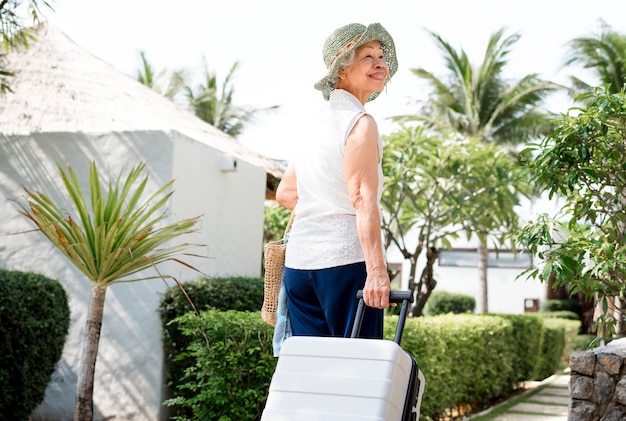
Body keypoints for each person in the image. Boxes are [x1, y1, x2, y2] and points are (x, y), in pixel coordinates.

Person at [275, 22, 398, 340]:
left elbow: (287, 193)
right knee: (357, 371)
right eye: (367, 56)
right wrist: (377, 272)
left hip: (300, 266)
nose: (380, 63)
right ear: (341, 69)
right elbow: (361, 199)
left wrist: (324, 206)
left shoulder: (314, 124)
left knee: (314, 370)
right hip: (345, 263)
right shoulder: (360, 123)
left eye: (381, 56)